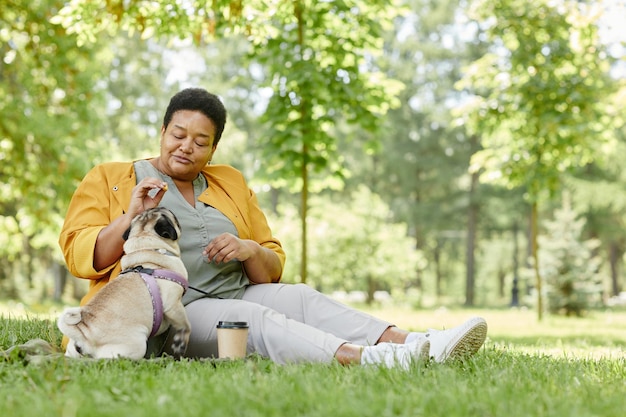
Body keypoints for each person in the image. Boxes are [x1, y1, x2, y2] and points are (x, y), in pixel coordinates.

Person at [59, 87, 488, 369]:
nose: (186, 146)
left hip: (233, 288)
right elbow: (83, 256)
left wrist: (247, 249)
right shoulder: (113, 177)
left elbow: (270, 266)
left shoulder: (230, 181)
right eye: (178, 134)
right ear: (162, 131)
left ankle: (420, 342)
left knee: (300, 297)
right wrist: (129, 216)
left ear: (213, 148)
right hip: (169, 312)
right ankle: (372, 359)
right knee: (248, 317)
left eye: (200, 140)